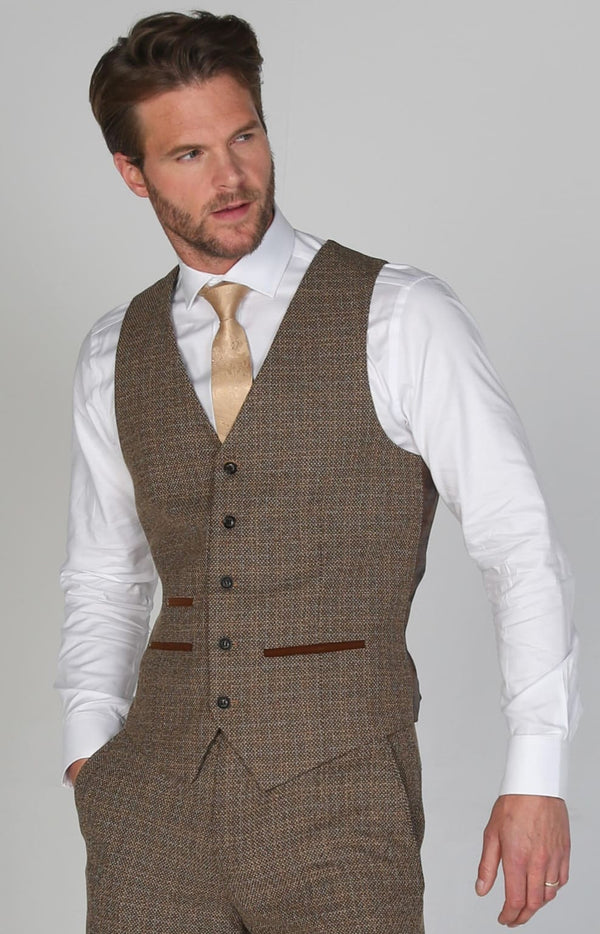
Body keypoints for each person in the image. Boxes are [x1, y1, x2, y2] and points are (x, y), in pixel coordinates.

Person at [56, 11, 580, 933]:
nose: (231, 178)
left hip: (341, 802)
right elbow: (105, 573)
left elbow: (518, 542)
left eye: (245, 136)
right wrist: (90, 750)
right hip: (148, 809)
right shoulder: (115, 348)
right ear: (132, 172)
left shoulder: (402, 316)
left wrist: (537, 774)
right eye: (189, 155)